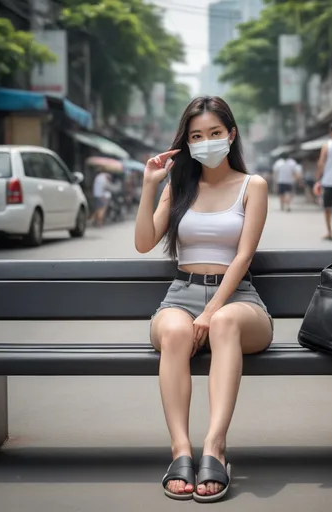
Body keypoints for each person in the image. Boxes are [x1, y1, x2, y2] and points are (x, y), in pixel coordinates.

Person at [134, 96, 273, 502]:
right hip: (181, 295)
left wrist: (212, 311)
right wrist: (150, 186)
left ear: (231, 135)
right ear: (187, 142)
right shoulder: (179, 186)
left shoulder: (253, 186)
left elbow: (244, 255)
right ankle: (180, 450)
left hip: (239, 300)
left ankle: (215, 447)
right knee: (176, 332)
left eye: (215, 133)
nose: (207, 141)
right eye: (197, 136)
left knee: (226, 323)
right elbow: (144, 243)